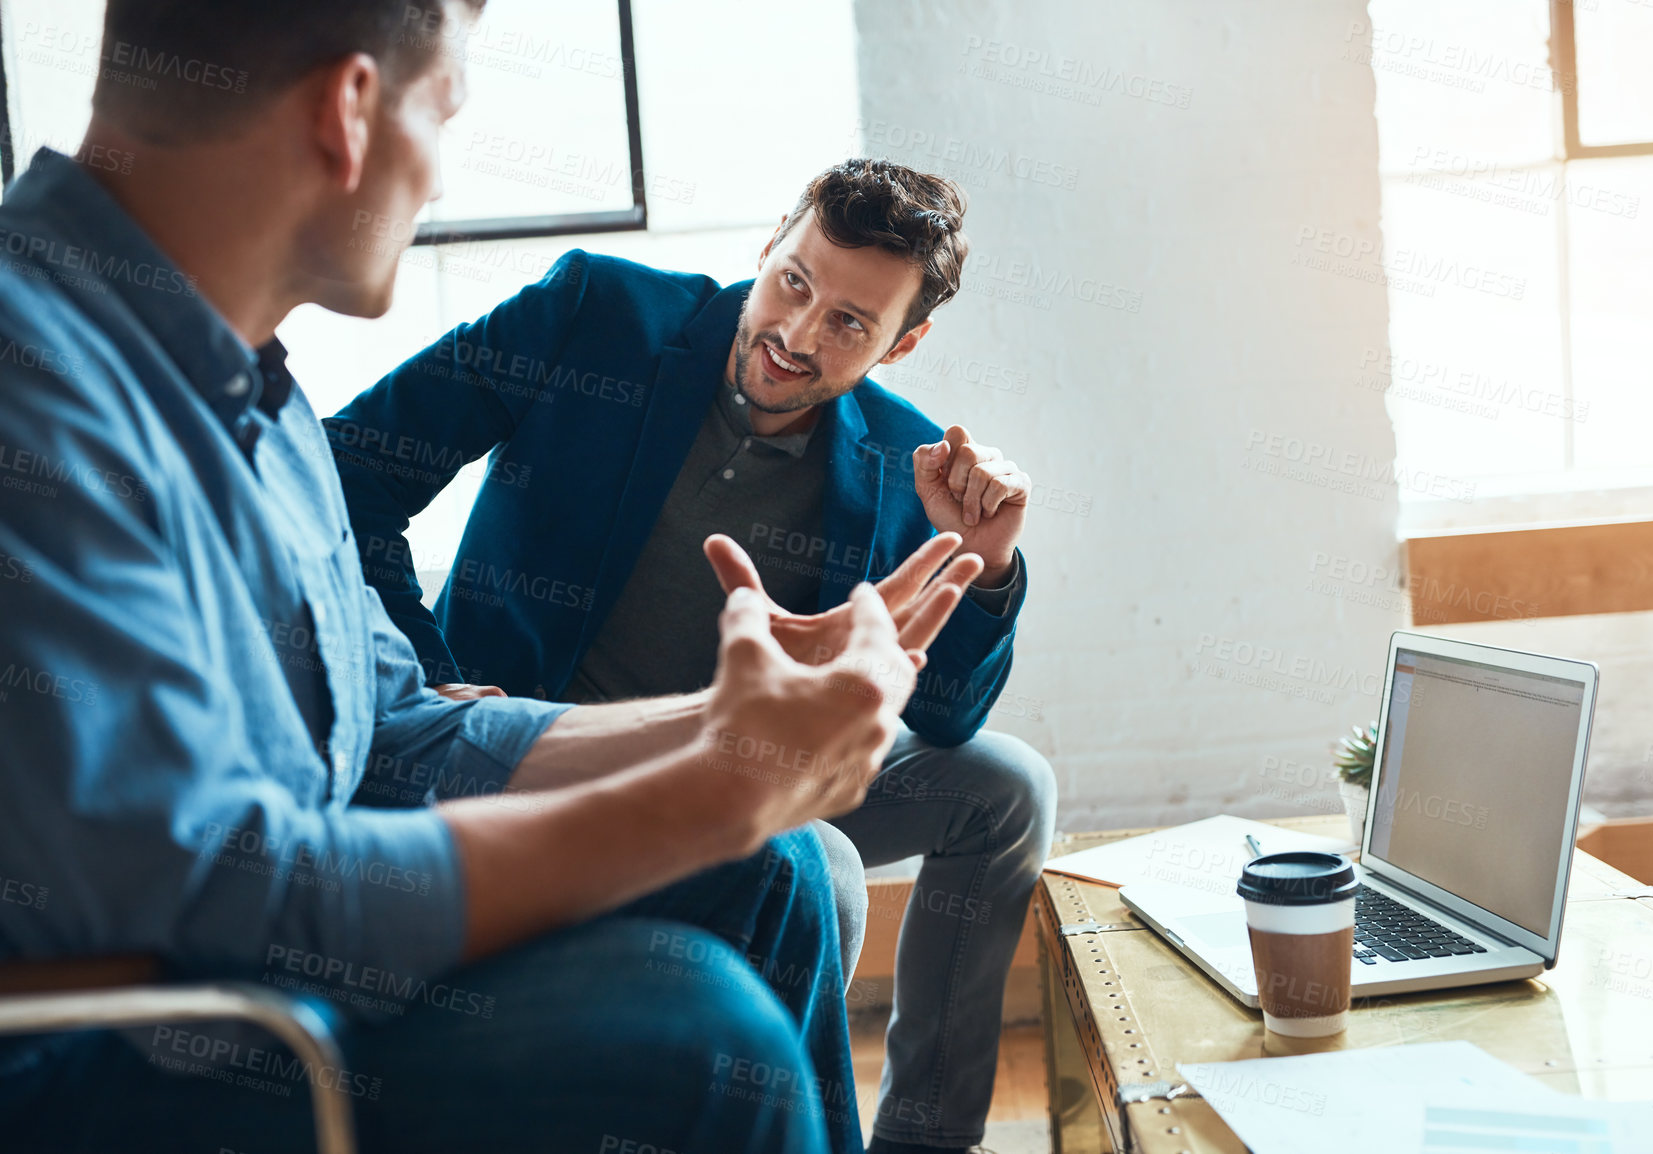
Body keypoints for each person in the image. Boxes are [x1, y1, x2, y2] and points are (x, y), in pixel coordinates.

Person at [0, 3, 976, 1151]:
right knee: (690, 1028)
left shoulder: (253, 392)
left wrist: (733, 726)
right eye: (445, 113)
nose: (442, 181)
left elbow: (393, 730)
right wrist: (702, 796)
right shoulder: (39, 393)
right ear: (348, 112)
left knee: (776, 873)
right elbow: (210, 899)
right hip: (124, 1048)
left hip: (260, 951)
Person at [327, 157, 1058, 1153]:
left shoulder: (908, 460)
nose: (797, 335)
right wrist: (425, 669)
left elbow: (945, 719)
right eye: (795, 282)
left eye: (851, 322)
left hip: (760, 751)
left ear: (905, 341)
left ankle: (925, 1139)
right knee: (825, 867)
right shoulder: (598, 313)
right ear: (768, 247)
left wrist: (984, 563)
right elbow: (350, 471)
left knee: (1008, 782)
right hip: (557, 742)